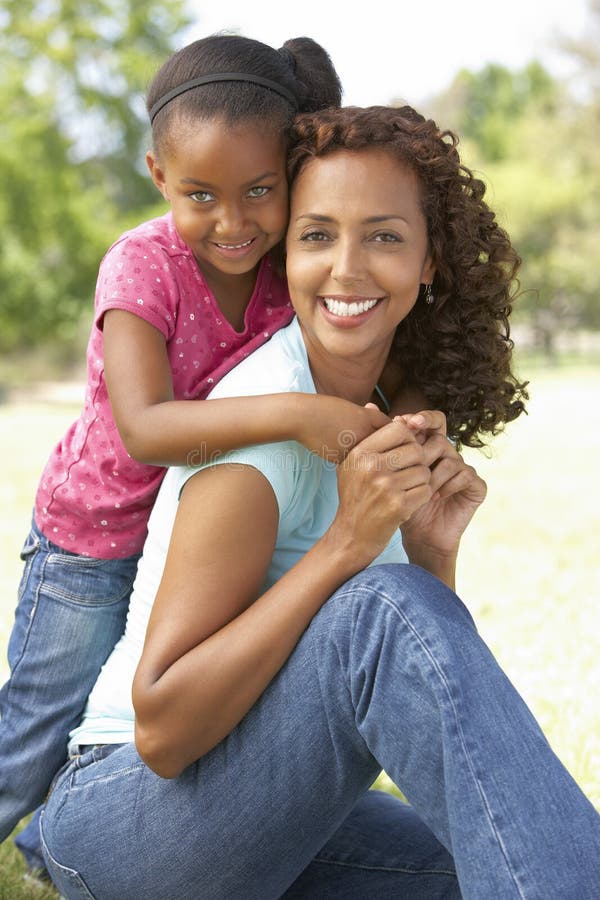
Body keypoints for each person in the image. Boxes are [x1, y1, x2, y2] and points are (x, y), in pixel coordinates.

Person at [39, 105, 599, 900]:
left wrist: (430, 549)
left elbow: (417, 698)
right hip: (124, 819)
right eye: (317, 236)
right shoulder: (264, 429)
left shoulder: (390, 410)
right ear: (286, 256)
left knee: (511, 849)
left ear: (430, 260)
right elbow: (161, 731)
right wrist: (346, 545)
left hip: (264, 800)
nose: (347, 268)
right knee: (380, 608)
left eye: (384, 236)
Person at [1, 34, 394, 874]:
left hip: (182, 548)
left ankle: (52, 847)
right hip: (93, 542)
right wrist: (299, 415)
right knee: (39, 727)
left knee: (120, 714)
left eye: (260, 191)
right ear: (158, 177)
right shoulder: (143, 267)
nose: (233, 222)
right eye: (201, 195)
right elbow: (145, 427)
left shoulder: (284, 270)